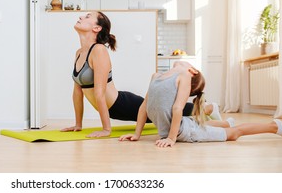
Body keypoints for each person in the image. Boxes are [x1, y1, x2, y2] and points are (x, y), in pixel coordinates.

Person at [61, 11, 220, 138]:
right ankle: (207, 109)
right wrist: (78, 124)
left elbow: (99, 93)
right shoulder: (79, 53)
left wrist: (106, 129)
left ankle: (209, 108)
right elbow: (77, 92)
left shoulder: (98, 50)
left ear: (97, 28)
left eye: (88, 16)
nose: (81, 16)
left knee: (165, 111)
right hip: (115, 107)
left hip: (122, 104)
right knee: (164, 110)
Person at [119, 61, 282, 147]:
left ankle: (274, 126)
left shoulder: (184, 75)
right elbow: (143, 107)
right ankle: (225, 122)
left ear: (192, 72)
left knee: (234, 134)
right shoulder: (156, 76)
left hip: (184, 131)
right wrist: (136, 135)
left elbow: (178, 108)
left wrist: (171, 138)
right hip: (182, 124)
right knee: (198, 122)